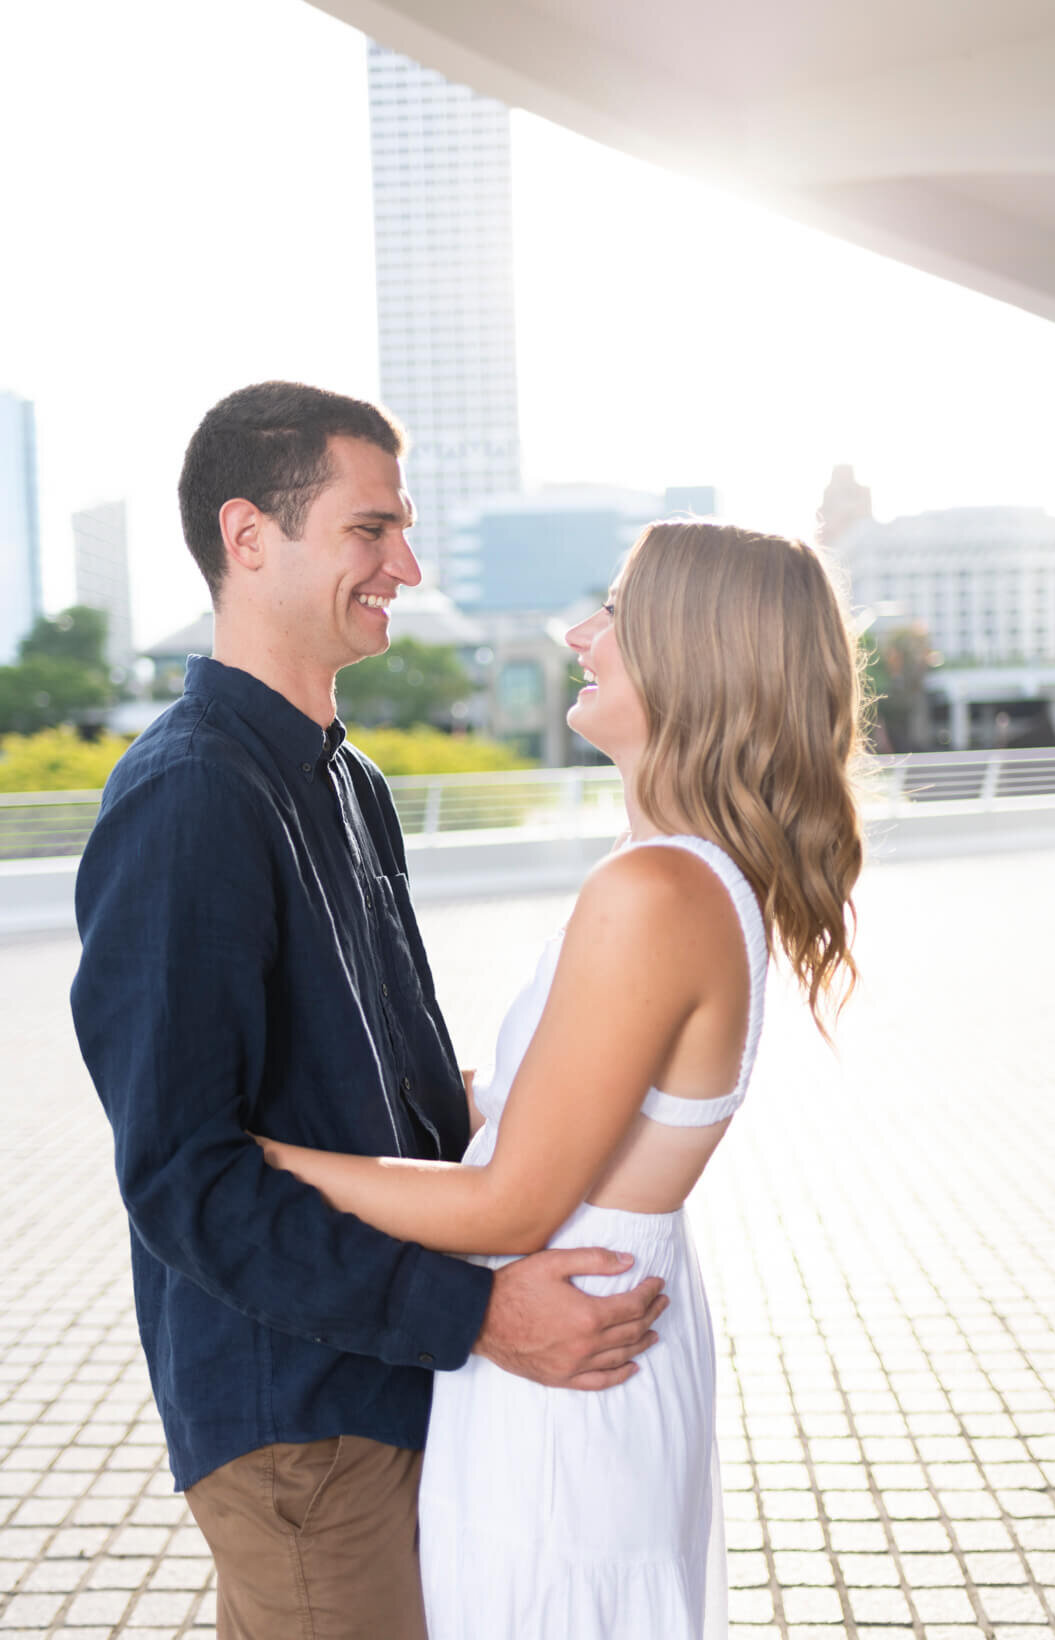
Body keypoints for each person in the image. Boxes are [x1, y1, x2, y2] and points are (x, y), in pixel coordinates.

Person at [69, 381, 668, 1640]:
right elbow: (183, 1176)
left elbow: (399, 1089)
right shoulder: (187, 800)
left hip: (396, 1384)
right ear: (249, 537)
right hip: (301, 1419)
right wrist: (483, 1313)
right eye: (370, 529)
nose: (405, 562)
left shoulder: (351, 784)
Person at [255, 518, 866, 1639]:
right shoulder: (680, 882)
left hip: (568, 1356)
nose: (583, 633)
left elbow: (512, 1201)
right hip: (583, 1337)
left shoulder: (657, 896)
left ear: (699, 650)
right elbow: (518, 1112)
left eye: (619, 611)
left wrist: (258, 1159)